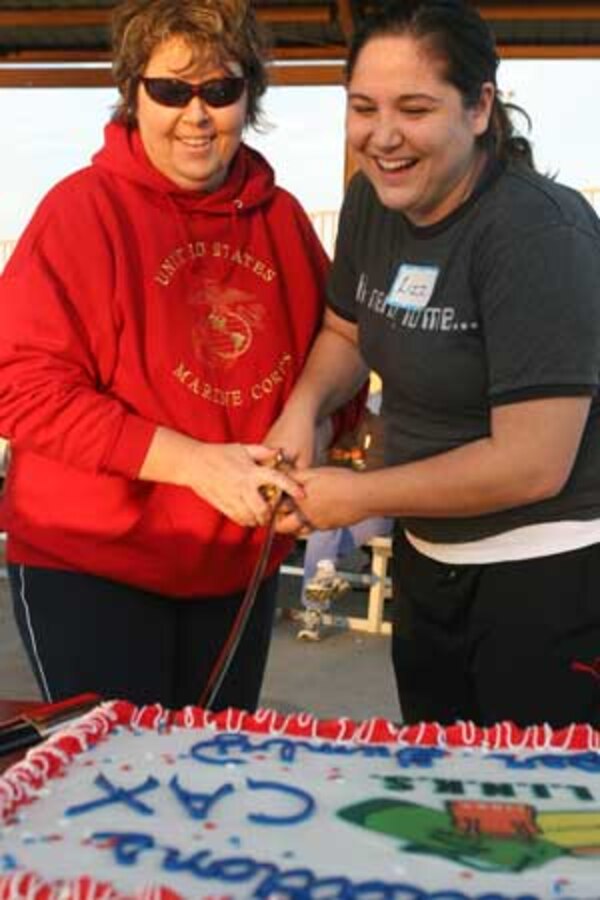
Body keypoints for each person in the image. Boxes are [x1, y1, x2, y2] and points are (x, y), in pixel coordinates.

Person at [0, 0, 361, 711]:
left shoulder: (283, 220)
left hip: (235, 571)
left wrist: (312, 432)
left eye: (220, 91)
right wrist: (192, 463)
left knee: (212, 779)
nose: (196, 114)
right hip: (93, 564)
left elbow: (340, 357)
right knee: (111, 789)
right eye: (170, 90)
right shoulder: (80, 212)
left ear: (248, 96)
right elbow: (20, 386)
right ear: (134, 95)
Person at [269, 0, 600, 729]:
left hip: (550, 575)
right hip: (428, 560)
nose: (382, 137)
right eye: (363, 108)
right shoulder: (372, 200)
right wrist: (304, 408)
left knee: (543, 826)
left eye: (414, 108)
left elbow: (532, 464)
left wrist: (359, 495)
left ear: (480, 107)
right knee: (439, 801)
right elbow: (346, 329)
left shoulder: (538, 232)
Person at [297, 397, 392, 640]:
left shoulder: (380, 428)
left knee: (326, 530)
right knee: (325, 528)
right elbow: (327, 469)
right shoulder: (340, 430)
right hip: (343, 512)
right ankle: (322, 580)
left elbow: (377, 479)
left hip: (378, 511)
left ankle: (314, 604)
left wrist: (348, 479)